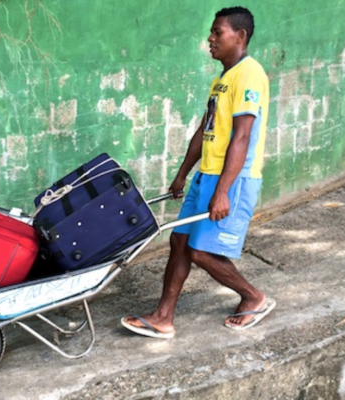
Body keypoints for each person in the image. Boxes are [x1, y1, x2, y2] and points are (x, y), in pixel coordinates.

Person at [121, 6, 275, 338]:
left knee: (200, 252)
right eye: (212, 32)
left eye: (218, 32)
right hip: (207, 174)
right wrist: (182, 174)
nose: (210, 38)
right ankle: (163, 317)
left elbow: (243, 136)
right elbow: (204, 130)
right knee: (179, 242)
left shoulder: (249, 74)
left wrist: (223, 190)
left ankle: (254, 297)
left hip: (233, 179)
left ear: (240, 36)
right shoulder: (222, 79)